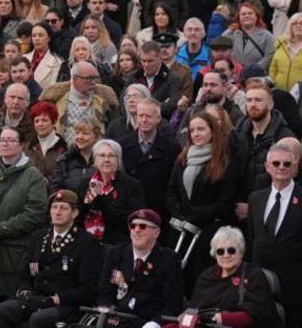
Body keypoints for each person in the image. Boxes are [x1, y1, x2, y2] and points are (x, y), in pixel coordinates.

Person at [0, 189, 103, 328]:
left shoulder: (86, 242)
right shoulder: (39, 237)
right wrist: (25, 289)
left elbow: (88, 289)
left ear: (75, 213)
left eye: (64, 208)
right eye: (54, 207)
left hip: (65, 303)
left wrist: (57, 299)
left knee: (39, 319)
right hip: (37, 298)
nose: (58, 212)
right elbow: (26, 273)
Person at [246, 142, 302, 328]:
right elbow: (252, 239)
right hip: (260, 288)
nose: (281, 168)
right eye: (276, 163)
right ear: (268, 167)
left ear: (296, 167)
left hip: (296, 291)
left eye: (287, 164)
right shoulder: (256, 198)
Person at [0, 126, 49, 306]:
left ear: (21, 145)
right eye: (2, 140)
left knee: (6, 306)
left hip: (14, 253)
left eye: (11, 140)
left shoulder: (33, 176)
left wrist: (1, 229)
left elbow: (35, 212)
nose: (5, 143)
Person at [166, 111, 240, 288]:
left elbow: (225, 202)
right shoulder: (183, 159)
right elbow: (171, 190)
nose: (196, 134)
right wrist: (178, 213)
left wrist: (194, 215)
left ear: (213, 131)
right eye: (192, 130)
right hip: (180, 231)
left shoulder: (225, 162)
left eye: (201, 129)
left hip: (207, 233)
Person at [166, 226, 281, 328]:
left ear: (241, 252)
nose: (226, 255)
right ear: (214, 254)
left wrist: (222, 318)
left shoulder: (253, 275)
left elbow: (256, 314)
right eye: (220, 251)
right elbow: (193, 309)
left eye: (231, 250)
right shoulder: (207, 276)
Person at [96, 209, 184, 328]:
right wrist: (108, 311)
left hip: (147, 322)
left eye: (143, 226)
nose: (136, 230)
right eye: (133, 226)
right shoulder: (116, 254)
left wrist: (155, 323)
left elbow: (173, 303)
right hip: (116, 320)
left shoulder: (169, 259)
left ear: (156, 233)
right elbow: (105, 292)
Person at [117, 97, 181, 222]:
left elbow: (174, 183)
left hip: (160, 211)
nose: (144, 120)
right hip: (130, 211)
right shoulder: (122, 146)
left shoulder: (172, 148)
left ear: (158, 119)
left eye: (149, 116)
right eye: (140, 116)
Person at [79, 139, 146, 246]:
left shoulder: (131, 185)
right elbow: (78, 215)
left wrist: (103, 202)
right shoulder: (86, 184)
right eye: (101, 155)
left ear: (118, 160)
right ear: (95, 160)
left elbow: (135, 220)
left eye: (111, 156)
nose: (106, 159)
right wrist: (88, 201)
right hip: (87, 243)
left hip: (118, 244)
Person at [268, 12, 302, 92]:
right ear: (289, 27)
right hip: (280, 92)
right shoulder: (281, 44)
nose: (298, 26)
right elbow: (273, 69)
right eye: (294, 24)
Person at [50, 118, 104, 194]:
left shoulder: (106, 159)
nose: (80, 137)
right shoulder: (64, 160)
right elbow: (55, 190)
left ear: (96, 136)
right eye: (77, 133)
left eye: (85, 133)